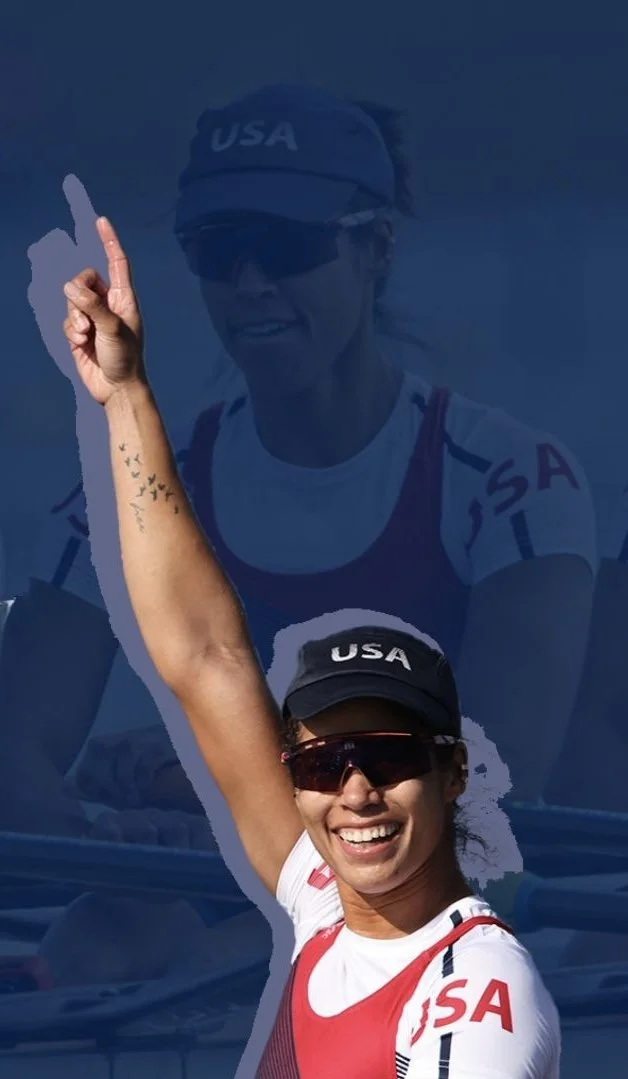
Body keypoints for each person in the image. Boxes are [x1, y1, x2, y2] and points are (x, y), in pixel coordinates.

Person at [58, 216, 561, 1077]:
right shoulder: (323, 899)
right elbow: (203, 652)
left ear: (452, 773)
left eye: (387, 754)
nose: (355, 790)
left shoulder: (477, 994)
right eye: (325, 764)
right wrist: (128, 396)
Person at [26, 83, 596, 809]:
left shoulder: (512, 482)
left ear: (376, 248)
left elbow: (489, 781)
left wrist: (189, 776)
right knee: (113, 929)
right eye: (219, 250)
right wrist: (89, 834)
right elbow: (16, 748)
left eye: (287, 247)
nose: (250, 284)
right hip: (212, 894)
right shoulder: (128, 491)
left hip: (410, 907)